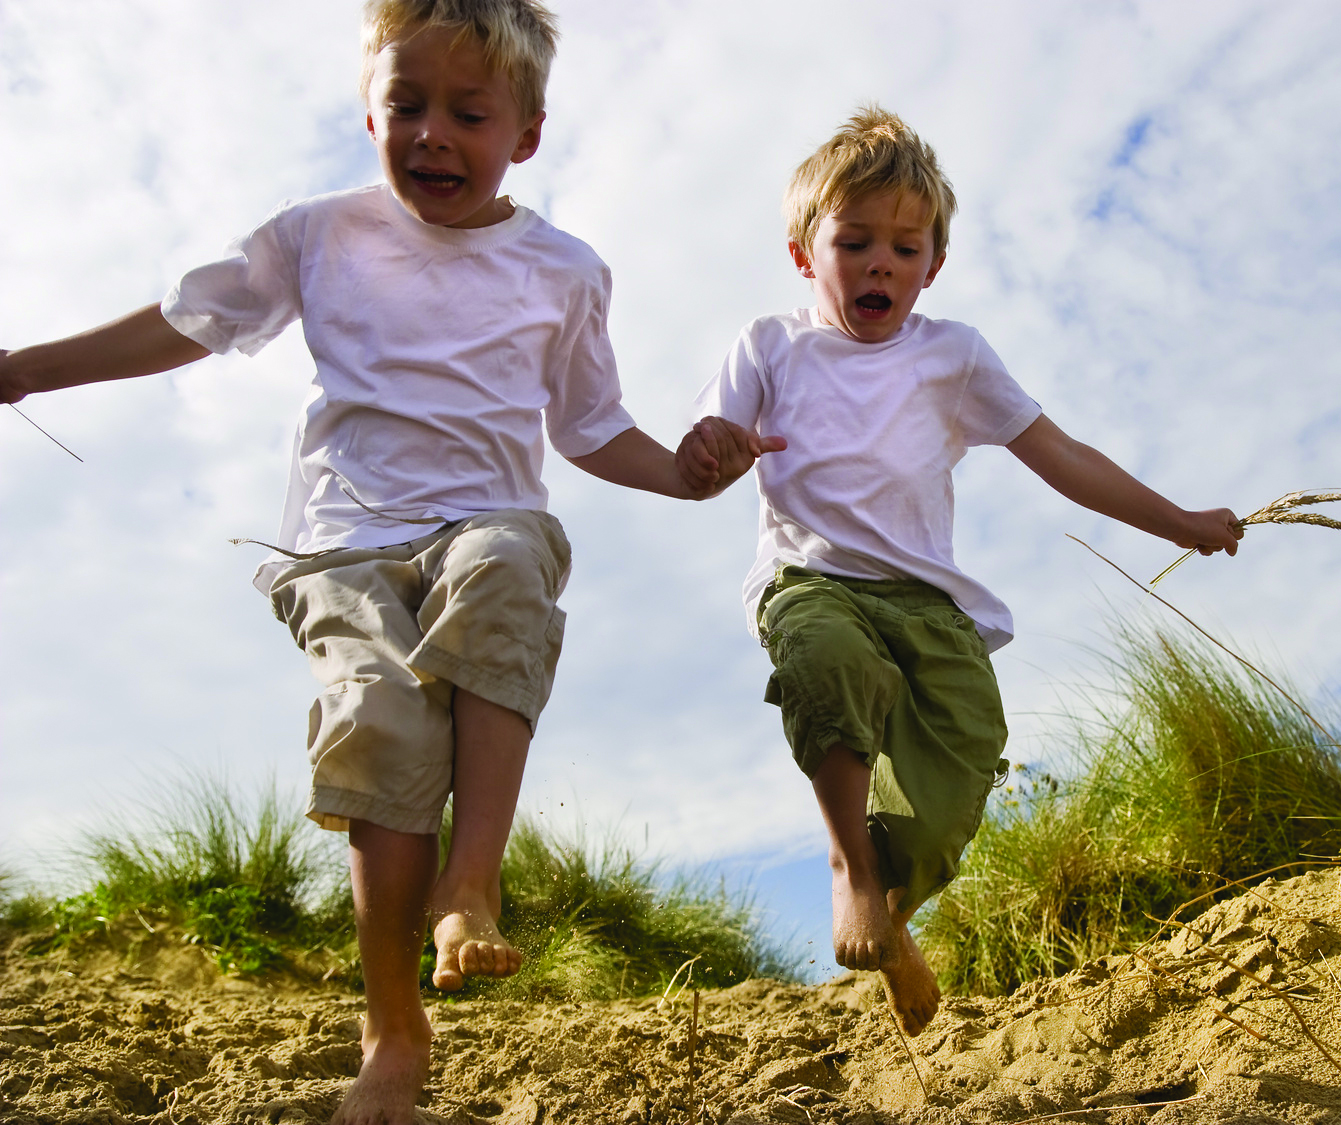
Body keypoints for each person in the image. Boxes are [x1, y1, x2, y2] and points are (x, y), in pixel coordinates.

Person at [0, 2, 777, 1121]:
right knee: (377, 717)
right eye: (405, 107)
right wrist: (26, 366)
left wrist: (687, 474)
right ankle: (391, 1027)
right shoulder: (318, 233)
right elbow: (186, 321)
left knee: (507, 564)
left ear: (527, 133)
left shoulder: (562, 270)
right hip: (340, 542)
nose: (431, 135)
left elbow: (590, 426)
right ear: (367, 110)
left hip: (487, 517)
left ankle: (473, 883)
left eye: (468, 113)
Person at [693, 105, 1240, 1038]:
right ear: (802, 253)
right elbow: (704, 447)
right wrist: (713, 451)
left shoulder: (954, 356)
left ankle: (894, 914)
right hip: (810, 576)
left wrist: (1178, 522)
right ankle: (850, 872)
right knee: (830, 666)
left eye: (906, 248)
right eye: (854, 241)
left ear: (933, 265)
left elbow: (1063, 454)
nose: (880, 264)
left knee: (959, 776)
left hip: (929, 602)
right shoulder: (770, 346)